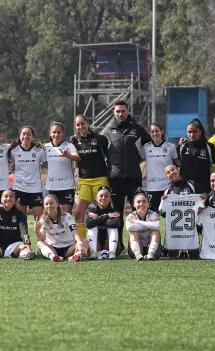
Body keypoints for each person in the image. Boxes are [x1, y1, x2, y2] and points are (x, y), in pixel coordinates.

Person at [101, 100, 151, 251]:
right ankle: (118, 245)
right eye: (117, 111)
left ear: (127, 111)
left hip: (133, 178)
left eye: (123, 111)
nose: (120, 114)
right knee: (116, 214)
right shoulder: (108, 130)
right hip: (114, 179)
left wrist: (137, 161)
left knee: (138, 212)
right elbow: (100, 150)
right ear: (114, 113)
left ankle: (139, 244)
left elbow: (151, 147)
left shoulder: (138, 129)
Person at [71, 115, 110, 239]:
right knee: (77, 213)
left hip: (101, 179)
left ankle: (104, 243)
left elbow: (111, 157)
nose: (81, 126)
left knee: (104, 213)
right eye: (78, 125)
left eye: (83, 123)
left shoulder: (101, 139)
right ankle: (81, 243)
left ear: (88, 123)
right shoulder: (73, 141)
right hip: (83, 180)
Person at [159, 165, 204, 259]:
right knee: (172, 256)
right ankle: (178, 250)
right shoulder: (168, 190)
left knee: (194, 256)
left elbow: (201, 201)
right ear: (166, 176)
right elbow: (164, 213)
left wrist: (202, 201)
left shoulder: (191, 184)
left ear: (178, 169)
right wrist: (164, 201)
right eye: (168, 172)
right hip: (176, 230)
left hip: (191, 226)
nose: (171, 173)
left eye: (173, 170)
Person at [8, 126, 47, 221]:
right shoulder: (14, 151)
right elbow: (8, 165)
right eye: (23, 134)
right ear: (20, 136)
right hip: (19, 188)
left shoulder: (39, 151)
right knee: (21, 219)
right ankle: (24, 236)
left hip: (35, 189)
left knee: (39, 219)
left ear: (33, 137)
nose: (26, 136)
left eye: (29, 134)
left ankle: (40, 236)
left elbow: (46, 164)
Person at [34, 194, 87, 262]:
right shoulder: (43, 219)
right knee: (40, 243)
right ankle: (53, 257)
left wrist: (79, 243)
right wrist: (37, 230)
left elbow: (74, 231)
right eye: (46, 204)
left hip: (68, 248)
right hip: (53, 249)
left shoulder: (67, 216)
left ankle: (74, 256)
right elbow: (42, 238)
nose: (49, 206)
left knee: (84, 242)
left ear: (57, 204)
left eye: (51, 203)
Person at [140, 122, 179, 211]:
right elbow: (140, 161)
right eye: (152, 132)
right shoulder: (146, 147)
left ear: (162, 131)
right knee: (152, 214)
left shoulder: (171, 146)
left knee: (170, 213)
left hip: (168, 187)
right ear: (149, 133)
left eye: (157, 131)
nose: (154, 134)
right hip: (151, 187)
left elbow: (177, 163)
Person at [44, 121, 80, 213]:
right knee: (51, 214)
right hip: (51, 186)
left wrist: (68, 155)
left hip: (66, 186)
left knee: (67, 214)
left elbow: (77, 157)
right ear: (50, 133)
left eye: (59, 132)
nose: (56, 134)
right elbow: (42, 163)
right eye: (54, 132)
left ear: (63, 133)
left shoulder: (69, 146)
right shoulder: (45, 147)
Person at [177, 118, 215, 193]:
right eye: (189, 132)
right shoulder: (181, 147)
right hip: (186, 188)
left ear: (200, 132)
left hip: (204, 189)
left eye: (195, 132)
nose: (192, 134)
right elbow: (176, 166)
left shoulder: (209, 147)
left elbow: (214, 166)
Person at [85, 186, 121, 260]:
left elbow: (115, 224)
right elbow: (88, 224)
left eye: (106, 196)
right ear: (96, 198)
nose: (103, 198)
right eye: (101, 196)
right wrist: (107, 216)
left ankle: (112, 252)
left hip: (109, 243)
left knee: (112, 228)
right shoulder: (91, 210)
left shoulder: (115, 210)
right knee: (92, 227)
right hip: (95, 242)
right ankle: (93, 252)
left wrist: (97, 219)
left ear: (110, 199)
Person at [126, 189, 161, 260]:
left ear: (148, 204)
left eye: (144, 202)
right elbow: (129, 227)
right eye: (138, 202)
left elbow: (157, 226)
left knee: (156, 231)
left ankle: (150, 254)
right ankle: (138, 254)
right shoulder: (131, 216)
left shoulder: (153, 214)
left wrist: (136, 221)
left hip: (151, 247)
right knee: (133, 231)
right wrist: (149, 224)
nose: (141, 204)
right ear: (134, 204)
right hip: (136, 247)